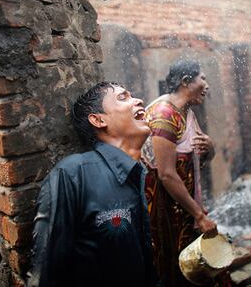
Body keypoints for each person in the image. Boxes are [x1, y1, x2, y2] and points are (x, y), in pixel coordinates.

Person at [28, 82, 157, 287]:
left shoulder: (142, 173)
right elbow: (46, 274)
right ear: (98, 120)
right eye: (123, 97)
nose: (138, 100)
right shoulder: (72, 174)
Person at [142, 60, 218, 287]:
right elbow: (166, 174)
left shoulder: (187, 112)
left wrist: (211, 146)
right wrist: (200, 216)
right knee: (172, 268)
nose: (207, 85)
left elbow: (202, 157)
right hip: (166, 209)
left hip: (183, 206)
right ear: (186, 81)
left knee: (190, 266)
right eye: (202, 78)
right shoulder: (164, 115)